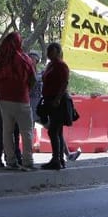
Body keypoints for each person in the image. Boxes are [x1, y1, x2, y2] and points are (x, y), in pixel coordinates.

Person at [0, 31, 36, 170]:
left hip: (4, 99)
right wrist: (26, 89)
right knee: (26, 131)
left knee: (7, 131)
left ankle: (11, 161)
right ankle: (27, 160)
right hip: (22, 99)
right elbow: (33, 79)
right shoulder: (24, 59)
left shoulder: (0, 60)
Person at [40, 42, 73, 170]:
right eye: (48, 50)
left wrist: (58, 98)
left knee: (54, 130)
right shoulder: (50, 65)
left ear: (57, 51)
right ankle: (59, 158)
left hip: (58, 101)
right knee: (57, 131)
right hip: (49, 99)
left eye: (51, 50)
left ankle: (56, 159)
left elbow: (64, 83)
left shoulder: (60, 65)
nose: (49, 53)